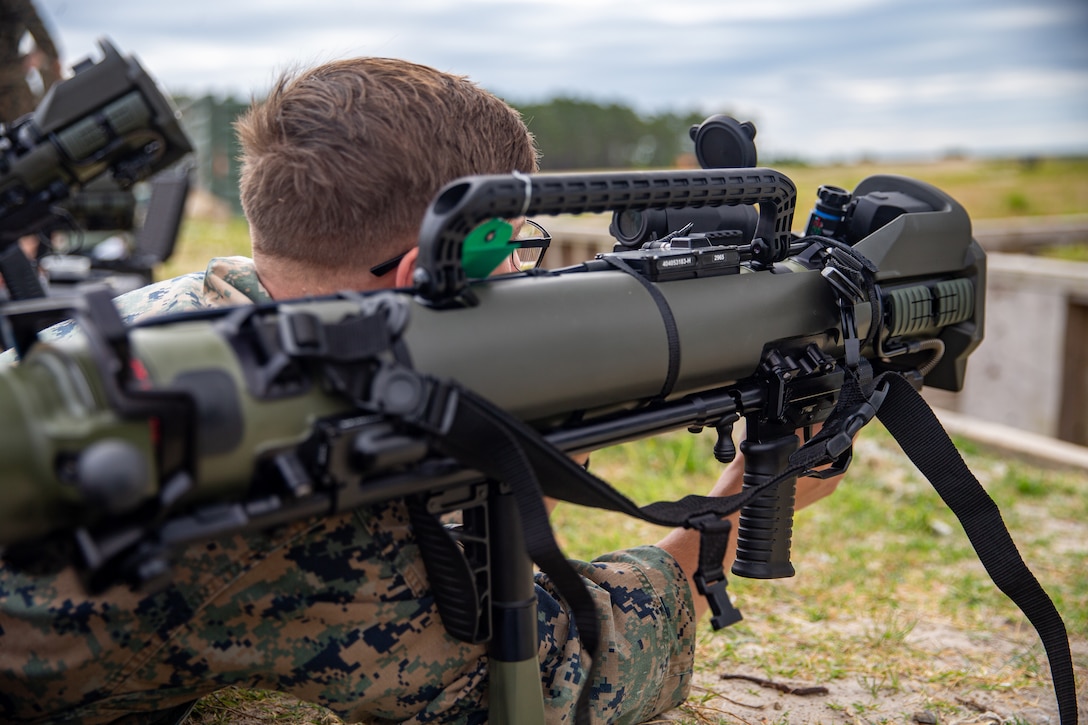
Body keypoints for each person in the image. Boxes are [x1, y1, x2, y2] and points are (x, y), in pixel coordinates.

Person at [0, 57, 842, 724]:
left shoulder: (177, 319)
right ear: (426, 272)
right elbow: (577, 673)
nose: (523, 277)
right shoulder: (304, 514)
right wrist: (737, 512)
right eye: (515, 252)